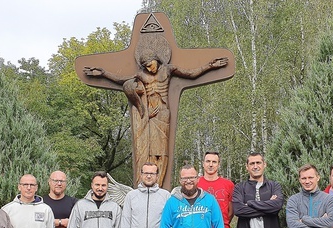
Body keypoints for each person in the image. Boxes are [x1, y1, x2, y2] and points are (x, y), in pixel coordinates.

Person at [83, 38, 228, 185]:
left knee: (161, 151)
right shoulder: (141, 75)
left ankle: (159, 180)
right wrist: (103, 74)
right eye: (145, 66)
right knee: (148, 151)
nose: (149, 68)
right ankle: (147, 178)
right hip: (149, 115)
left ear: (156, 60)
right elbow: (122, 80)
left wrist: (210, 66)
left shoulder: (168, 69)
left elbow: (191, 74)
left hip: (163, 113)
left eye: (150, 64)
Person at [232, 152, 285, 228]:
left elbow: (276, 206)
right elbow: (239, 210)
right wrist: (267, 207)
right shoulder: (240, 187)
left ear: (264, 164)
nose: (255, 166)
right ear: (247, 167)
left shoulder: (274, 186)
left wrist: (250, 203)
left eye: (258, 163)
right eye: (252, 163)